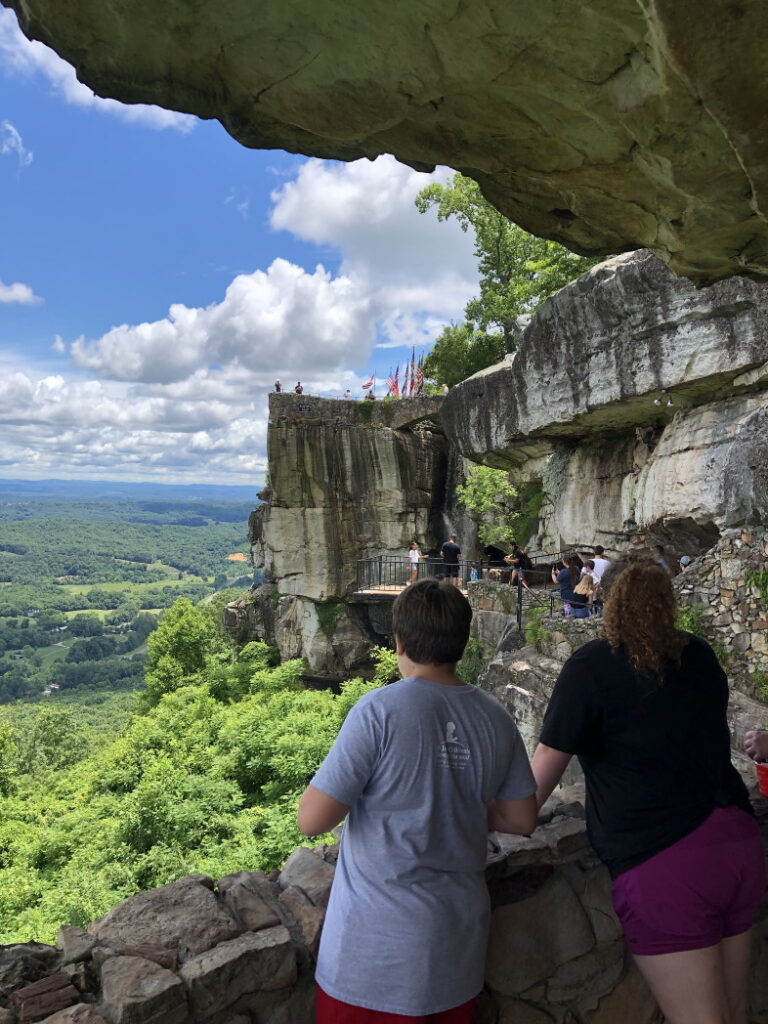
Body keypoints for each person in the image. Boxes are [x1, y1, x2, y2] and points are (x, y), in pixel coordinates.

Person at [531, 561, 765, 1024]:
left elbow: (534, 788)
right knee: (736, 1013)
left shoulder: (591, 666)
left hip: (666, 861)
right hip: (738, 842)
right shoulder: (698, 655)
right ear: (669, 603)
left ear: (608, 601)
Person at [298, 579, 538, 1024]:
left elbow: (312, 819)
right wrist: (457, 800)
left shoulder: (379, 711)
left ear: (399, 642)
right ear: (464, 642)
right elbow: (522, 817)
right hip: (455, 954)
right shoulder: (495, 716)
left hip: (371, 959)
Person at [551, 554, 589, 618]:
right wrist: (560, 573)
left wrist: (552, 574)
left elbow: (556, 581)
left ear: (564, 563)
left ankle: (569, 620)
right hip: (576, 594)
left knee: (568, 611)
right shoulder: (576, 568)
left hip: (566, 595)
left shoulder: (564, 572)